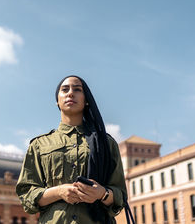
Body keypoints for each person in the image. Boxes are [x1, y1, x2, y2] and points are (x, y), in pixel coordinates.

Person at [16, 75, 127, 223]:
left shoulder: (106, 143)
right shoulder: (39, 145)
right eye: (65, 89)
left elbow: (120, 195)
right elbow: (27, 195)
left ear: (86, 100)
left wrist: (102, 193)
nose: (70, 93)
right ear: (57, 101)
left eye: (77, 89)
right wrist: (58, 192)